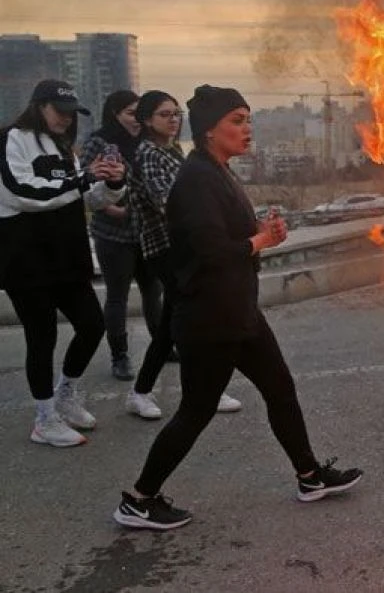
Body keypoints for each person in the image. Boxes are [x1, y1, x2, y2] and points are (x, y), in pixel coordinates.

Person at [114, 85, 361, 531]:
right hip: (210, 316)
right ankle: (139, 498)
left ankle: (309, 477)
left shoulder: (217, 170)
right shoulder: (195, 179)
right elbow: (209, 250)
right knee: (196, 410)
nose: (248, 129)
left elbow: (233, 240)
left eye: (249, 119)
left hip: (237, 311)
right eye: (237, 121)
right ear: (209, 129)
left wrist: (264, 233)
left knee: (280, 389)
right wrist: (258, 241)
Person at [1, 80, 127, 447]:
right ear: (39, 106)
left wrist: (112, 183)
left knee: (92, 325)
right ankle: (44, 418)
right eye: (60, 111)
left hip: (66, 257)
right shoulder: (11, 139)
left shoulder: (63, 148)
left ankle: (65, 394)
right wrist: (84, 177)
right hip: (25, 257)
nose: (66, 119)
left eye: (72, 113)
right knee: (42, 337)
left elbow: (85, 197)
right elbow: (22, 192)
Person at [125, 90, 241, 420]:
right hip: (164, 249)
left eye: (176, 114)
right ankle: (152, 392)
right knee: (183, 322)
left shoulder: (174, 151)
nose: (173, 120)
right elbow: (170, 204)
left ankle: (183, 390)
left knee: (177, 322)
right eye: (164, 114)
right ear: (147, 120)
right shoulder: (148, 154)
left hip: (183, 248)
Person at [80, 90, 162, 381]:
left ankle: (163, 347)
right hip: (114, 236)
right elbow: (86, 187)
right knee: (118, 298)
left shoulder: (147, 143)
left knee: (154, 294)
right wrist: (113, 208)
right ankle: (120, 356)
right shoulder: (99, 143)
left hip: (146, 233)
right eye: (130, 113)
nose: (136, 119)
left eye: (139, 114)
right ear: (115, 113)